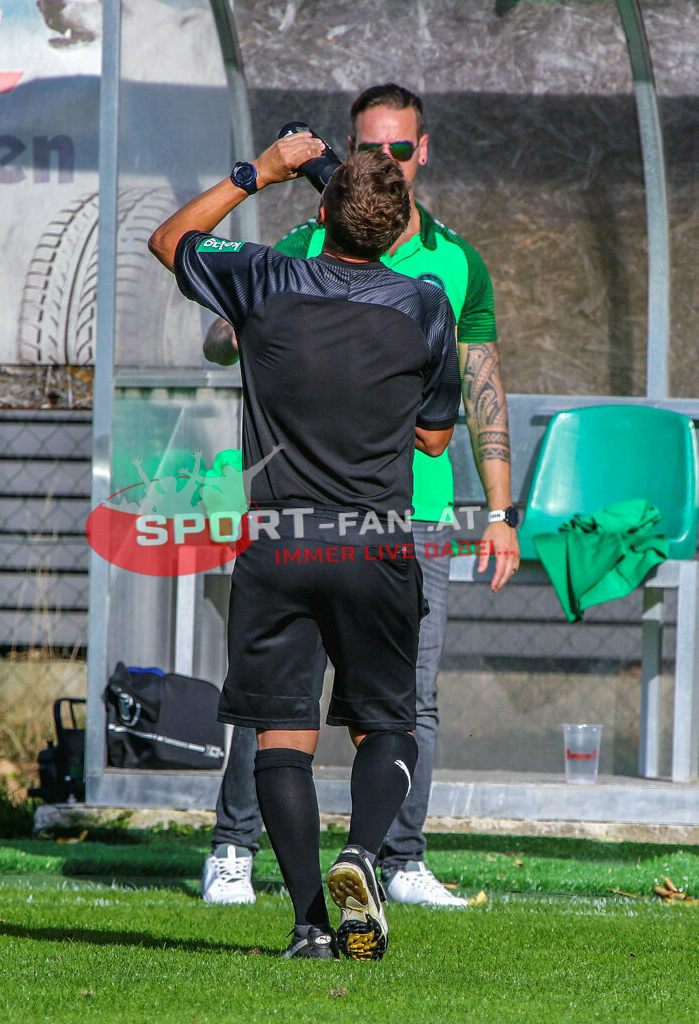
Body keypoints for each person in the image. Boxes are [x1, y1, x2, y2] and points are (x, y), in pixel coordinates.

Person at [201, 83, 521, 909]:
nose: (386, 161)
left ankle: (387, 862)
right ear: (347, 155)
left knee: (398, 700)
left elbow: (482, 383)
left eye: (399, 150)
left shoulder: (454, 265)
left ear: (424, 151)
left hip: (403, 518)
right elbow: (221, 335)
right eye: (369, 150)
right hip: (338, 517)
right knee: (284, 701)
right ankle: (236, 848)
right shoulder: (302, 248)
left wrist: (498, 512)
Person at [148, 138, 460, 959]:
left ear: (318, 217)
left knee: (280, 736)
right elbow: (433, 440)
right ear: (396, 234)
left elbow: (170, 238)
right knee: (387, 724)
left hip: (279, 543)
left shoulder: (263, 279)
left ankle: (308, 924)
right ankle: (361, 853)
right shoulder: (425, 304)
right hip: (377, 544)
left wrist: (262, 172)